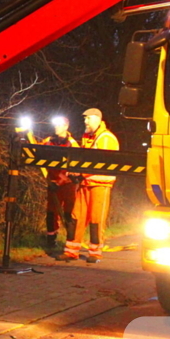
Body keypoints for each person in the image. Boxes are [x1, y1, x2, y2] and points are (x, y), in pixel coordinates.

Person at [60, 108, 119, 263]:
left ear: (97, 119)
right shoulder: (89, 137)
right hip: (85, 184)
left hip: (100, 184)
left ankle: (95, 253)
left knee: (96, 219)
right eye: (84, 119)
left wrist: (80, 174)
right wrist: (75, 173)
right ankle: (71, 251)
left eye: (88, 119)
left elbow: (100, 164)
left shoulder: (105, 138)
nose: (85, 122)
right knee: (76, 217)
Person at [39, 116, 79, 252]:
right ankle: (51, 241)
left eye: (59, 125)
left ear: (66, 126)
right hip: (52, 183)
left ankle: (71, 242)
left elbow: (74, 167)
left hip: (67, 185)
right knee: (51, 212)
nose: (56, 127)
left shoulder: (72, 144)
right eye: (55, 125)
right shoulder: (48, 142)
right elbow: (36, 152)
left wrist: (60, 181)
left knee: (69, 213)